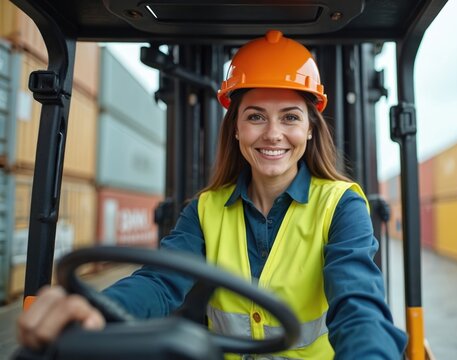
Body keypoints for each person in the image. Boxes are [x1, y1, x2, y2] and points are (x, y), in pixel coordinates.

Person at [17, 30, 407, 359]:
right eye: (255, 116)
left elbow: (358, 306)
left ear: (309, 129)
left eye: (290, 116)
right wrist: (96, 309)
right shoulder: (206, 209)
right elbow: (160, 281)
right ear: (236, 128)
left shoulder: (341, 205)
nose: (273, 133)